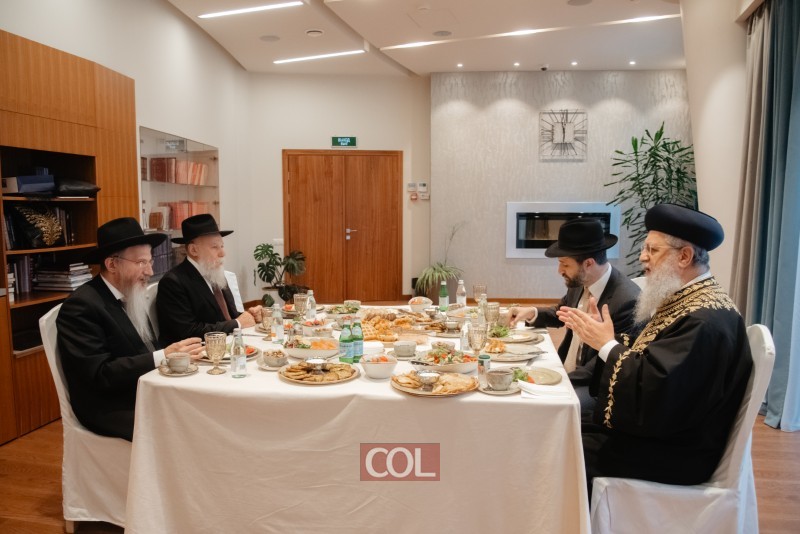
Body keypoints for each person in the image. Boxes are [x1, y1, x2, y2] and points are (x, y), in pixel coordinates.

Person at [560, 204, 753, 488]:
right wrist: (609, 341)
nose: (643, 257)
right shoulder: (689, 300)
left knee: (565, 449)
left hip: (679, 450)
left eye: (653, 250)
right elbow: (654, 361)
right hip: (666, 433)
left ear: (684, 256)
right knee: (567, 425)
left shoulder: (704, 320)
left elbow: (659, 387)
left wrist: (606, 345)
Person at [57, 218, 203, 441]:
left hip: (143, 388)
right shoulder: (81, 306)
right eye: (141, 263)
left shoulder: (130, 293)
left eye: (150, 262)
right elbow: (100, 375)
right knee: (188, 427)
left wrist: (177, 357)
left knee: (205, 405)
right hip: (111, 405)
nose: (150, 271)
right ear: (112, 264)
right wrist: (163, 356)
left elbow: (145, 349)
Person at [508, 218, 640, 410]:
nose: (559, 271)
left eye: (565, 264)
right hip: (567, 368)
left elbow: (608, 361)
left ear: (588, 263)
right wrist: (531, 312)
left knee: (534, 404)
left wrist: (560, 380)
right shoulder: (580, 282)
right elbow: (562, 313)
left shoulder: (627, 301)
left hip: (594, 386)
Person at [157, 213, 262, 345]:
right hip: (198, 352)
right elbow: (188, 331)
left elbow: (228, 316)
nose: (222, 253)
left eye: (222, 246)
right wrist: (238, 323)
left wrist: (250, 315)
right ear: (193, 250)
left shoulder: (214, 272)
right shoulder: (173, 282)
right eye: (214, 247)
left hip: (227, 345)